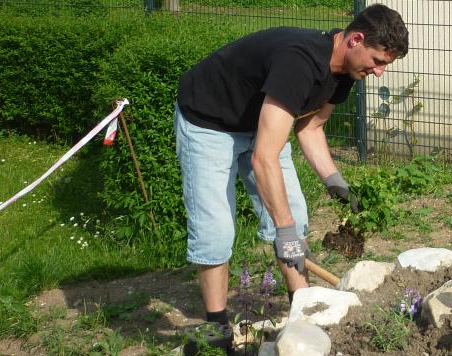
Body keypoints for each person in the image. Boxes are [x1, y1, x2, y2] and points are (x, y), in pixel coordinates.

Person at [174, 4, 409, 327]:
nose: (380, 71)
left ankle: (302, 312)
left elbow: (310, 128)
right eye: (379, 61)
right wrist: (283, 231)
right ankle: (216, 330)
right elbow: (264, 158)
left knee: (294, 219)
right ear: (355, 40)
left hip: (259, 125)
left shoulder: (346, 73)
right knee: (216, 231)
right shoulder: (299, 62)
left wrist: (333, 178)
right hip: (210, 122)